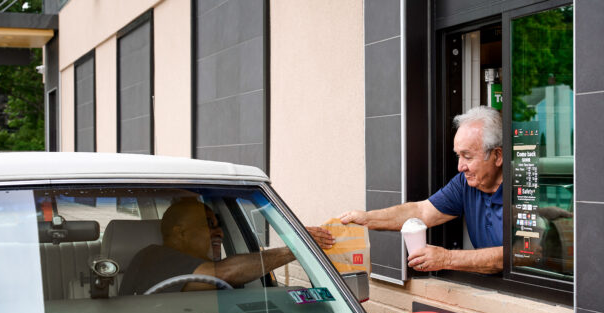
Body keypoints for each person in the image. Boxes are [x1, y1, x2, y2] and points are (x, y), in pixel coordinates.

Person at [340, 106, 504, 274]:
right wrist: (368, 219)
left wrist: (447, 259)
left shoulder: (523, 192)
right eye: (458, 156)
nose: (460, 167)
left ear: (497, 156)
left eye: (467, 157)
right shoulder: (464, 184)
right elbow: (422, 212)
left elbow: (517, 255)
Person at [119, 199, 334, 295]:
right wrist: (294, 248)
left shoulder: (195, 263)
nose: (220, 232)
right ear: (180, 232)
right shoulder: (155, 257)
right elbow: (222, 274)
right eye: (209, 224)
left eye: (220, 225)